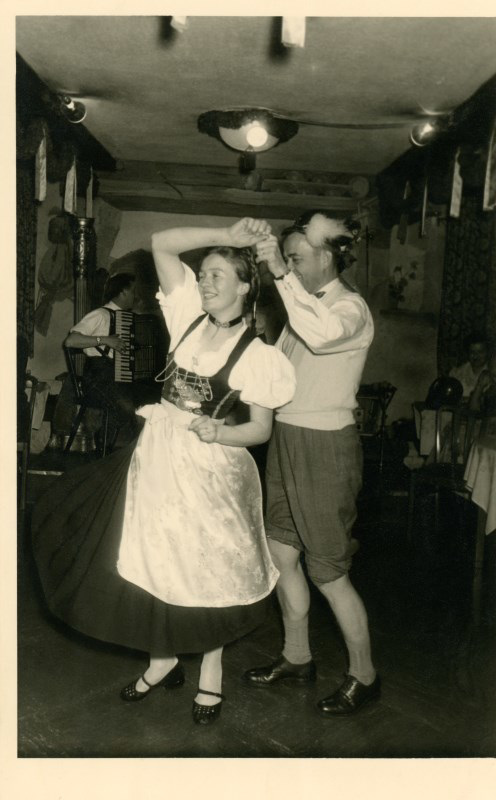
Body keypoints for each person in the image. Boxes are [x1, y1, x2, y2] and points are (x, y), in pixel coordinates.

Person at [32, 218, 295, 726]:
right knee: (150, 561)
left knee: (206, 572)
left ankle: (211, 670)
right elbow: (161, 244)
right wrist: (230, 235)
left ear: (245, 286)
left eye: (219, 275)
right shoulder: (187, 318)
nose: (206, 282)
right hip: (156, 460)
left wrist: (223, 433)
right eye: (204, 274)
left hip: (214, 473)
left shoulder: (260, 356)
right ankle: (162, 657)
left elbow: (260, 428)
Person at [243, 210, 380, 716]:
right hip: (286, 437)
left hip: (326, 446)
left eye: (298, 258)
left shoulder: (350, 309)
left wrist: (278, 271)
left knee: (329, 572)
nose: (292, 268)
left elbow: (321, 335)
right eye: (290, 260)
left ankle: (365, 675)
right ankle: (297, 656)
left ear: (328, 255)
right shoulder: (301, 308)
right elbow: (278, 370)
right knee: (282, 555)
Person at [64, 272, 140, 448]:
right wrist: (104, 340)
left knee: (144, 402)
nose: (135, 297)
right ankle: (107, 447)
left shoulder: (127, 318)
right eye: (133, 291)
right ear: (122, 292)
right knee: (127, 405)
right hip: (98, 377)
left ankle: (117, 450)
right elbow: (71, 341)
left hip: (117, 378)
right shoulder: (100, 314)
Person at [449, 333, 489, 399]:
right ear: (467, 353)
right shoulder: (457, 373)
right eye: (472, 352)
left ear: (487, 352)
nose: (476, 357)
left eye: (480, 352)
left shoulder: (493, 372)